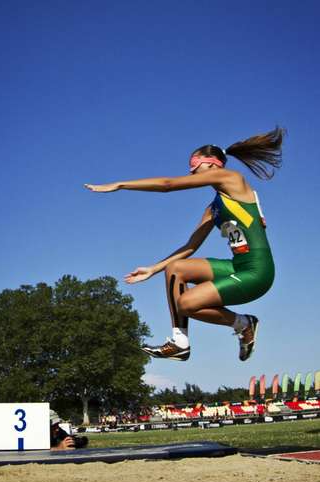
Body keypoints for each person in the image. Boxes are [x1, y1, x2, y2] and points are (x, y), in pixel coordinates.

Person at [85, 127, 284, 362]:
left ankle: (243, 323)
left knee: (186, 303)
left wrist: (120, 184)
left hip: (258, 271)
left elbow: (168, 184)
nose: (191, 170)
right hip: (238, 266)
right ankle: (179, 342)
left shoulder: (230, 177)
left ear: (212, 163)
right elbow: (191, 246)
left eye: (195, 164)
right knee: (176, 268)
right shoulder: (214, 208)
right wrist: (153, 269)